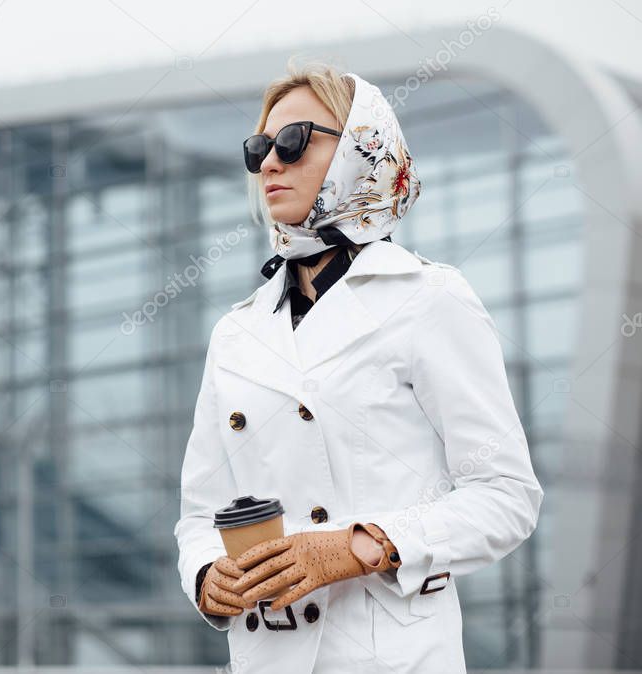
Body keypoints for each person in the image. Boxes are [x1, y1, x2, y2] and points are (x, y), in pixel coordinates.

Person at [173, 60, 544, 673]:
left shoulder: (430, 297)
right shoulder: (236, 331)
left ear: (359, 150)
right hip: (268, 655)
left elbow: (505, 497)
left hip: (392, 655)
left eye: (292, 142)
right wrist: (209, 576)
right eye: (259, 147)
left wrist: (354, 547)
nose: (269, 163)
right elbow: (200, 514)